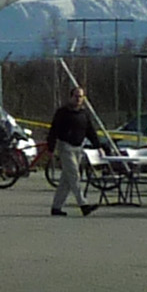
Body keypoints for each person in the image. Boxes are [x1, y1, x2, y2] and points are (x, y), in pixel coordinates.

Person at [47, 89, 103, 217]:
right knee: (74, 175)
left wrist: (98, 146)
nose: (78, 99)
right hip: (65, 147)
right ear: (71, 97)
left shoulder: (83, 114)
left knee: (66, 180)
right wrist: (51, 148)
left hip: (78, 148)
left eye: (81, 97)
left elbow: (90, 131)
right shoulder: (62, 113)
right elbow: (53, 130)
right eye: (76, 96)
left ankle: (56, 207)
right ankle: (83, 205)